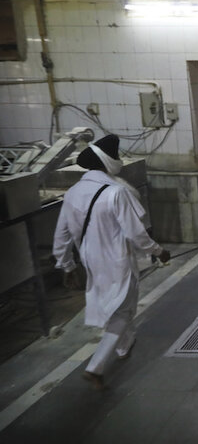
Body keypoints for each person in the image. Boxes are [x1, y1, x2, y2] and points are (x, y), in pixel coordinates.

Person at [52, 134, 170, 390]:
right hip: (117, 260)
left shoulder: (72, 193)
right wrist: (159, 251)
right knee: (124, 308)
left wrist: (67, 265)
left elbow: (61, 235)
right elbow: (136, 233)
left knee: (112, 304)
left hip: (90, 261)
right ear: (109, 163)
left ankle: (124, 346)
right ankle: (96, 367)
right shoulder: (116, 192)